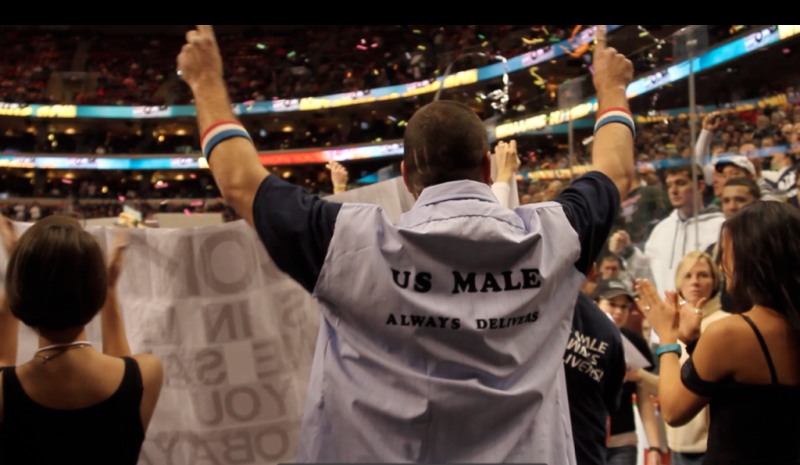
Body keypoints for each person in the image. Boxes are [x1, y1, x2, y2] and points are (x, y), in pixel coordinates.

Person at [179, 24, 635, 463]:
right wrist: (611, 87)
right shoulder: (553, 238)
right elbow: (615, 171)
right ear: (486, 168)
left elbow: (239, 182)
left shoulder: (351, 245)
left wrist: (205, 81)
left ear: (406, 179)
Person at [637, 201, 800, 465]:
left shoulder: (731, 332)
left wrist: (667, 337)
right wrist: (693, 344)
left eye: (726, 252)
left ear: (753, 256)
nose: (722, 266)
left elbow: (673, 410)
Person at [491, 149, 626, 465]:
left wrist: (503, 176)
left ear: (589, 271)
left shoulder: (602, 330)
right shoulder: (519, 304)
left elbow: (493, 250)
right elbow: (495, 251)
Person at [0, 216, 164, 464]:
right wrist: (110, 288)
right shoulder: (147, 374)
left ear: (18, 293)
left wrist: (16, 265)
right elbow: (122, 372)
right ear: (95, 292)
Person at [609, 165, 725, 297]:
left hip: (706, 313)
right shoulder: (661, 230)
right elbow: (649, 277)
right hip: (667, 313)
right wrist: (628, 252)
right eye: (670, 185)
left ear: (700, 186)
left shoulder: (720, 227)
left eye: (681, 183)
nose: (673, 191)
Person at [666, 252, 729, 465]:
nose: (695, 281)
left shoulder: (726, 325)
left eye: (702, 274)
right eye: (688, 275)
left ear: (715, 281)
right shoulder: (672, 329)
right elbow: (673, 387)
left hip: (710, 447)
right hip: (677, 446)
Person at [593, 279, 663, 465]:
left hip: (623, 440)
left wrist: (654, 447)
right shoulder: (581, 339)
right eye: (612, 304)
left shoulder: (635, 342)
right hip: (586, 437)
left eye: (624, 306)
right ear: (595, 304)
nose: (618, 311)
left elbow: (644, 397)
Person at [705, 177, 760, 312]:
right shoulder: (713, 250)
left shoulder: (767, 247)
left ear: (757, 203)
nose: (732, 207)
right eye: (726, 201)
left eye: (740, 200)